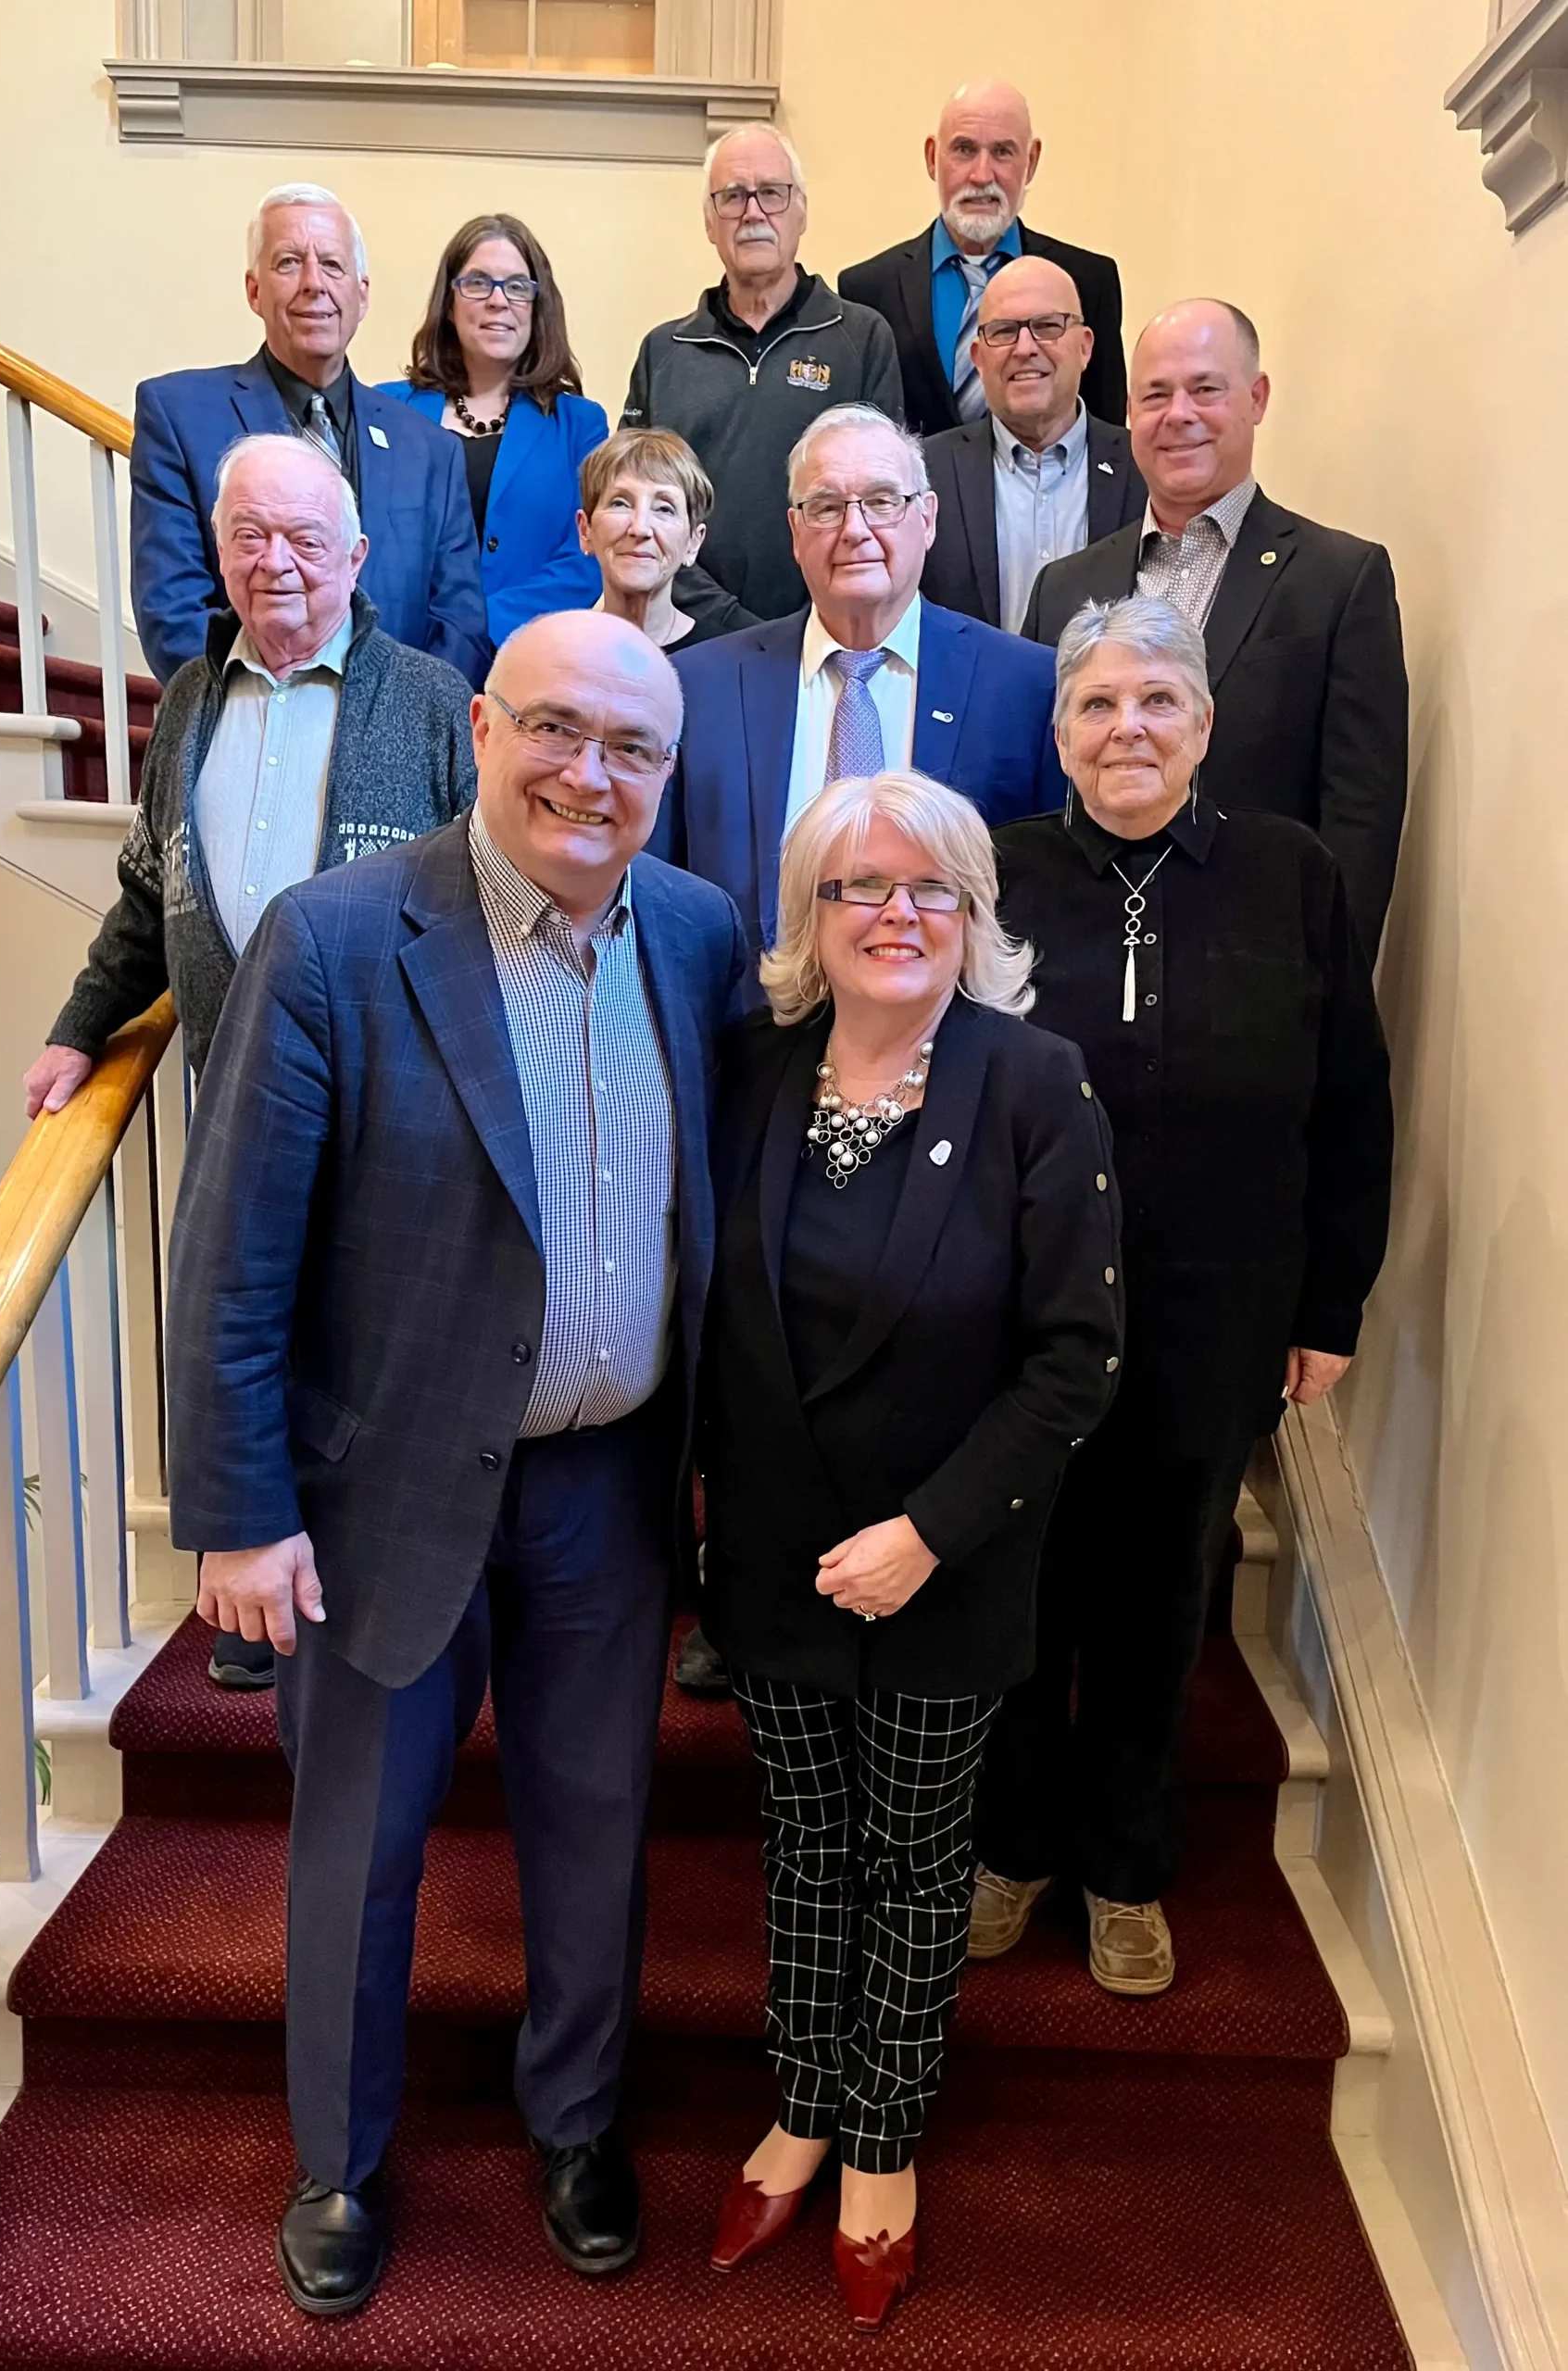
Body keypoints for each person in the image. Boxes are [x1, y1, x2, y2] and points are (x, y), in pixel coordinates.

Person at [163, 608, 742, 2316]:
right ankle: (339, 2163)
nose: (589, 774)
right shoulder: (338, 935)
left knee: (594, 1821)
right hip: (381, 1489)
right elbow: (234, 1255)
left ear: (666, 771)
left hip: (607, 1485)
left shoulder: (698, 934)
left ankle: (576, 2122)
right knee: (359, 1842)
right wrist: (241, 1514)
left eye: (631, 748)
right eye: (556, 728)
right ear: (481, 728)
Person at [698, 769, 1123, 2331]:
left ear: (971, 912)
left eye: (929, 886)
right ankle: (803, 2103)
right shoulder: (750, 1070)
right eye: (858, 887)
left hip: (947, 1562)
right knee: (806, 1845)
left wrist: (925, 1535)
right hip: (773, 1557)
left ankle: (882, 2137)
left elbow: (1076, 1359)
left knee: (913, 1850)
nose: (895, 913)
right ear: (810, 917)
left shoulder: (1034, 1082)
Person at [970, 595, 1392, 1998]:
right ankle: (1015, 1844)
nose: (1127, 728)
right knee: (1024, 1592)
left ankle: (1126, 1865)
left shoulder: (1290, 874)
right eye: (1096, 704)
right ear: (1059, 734)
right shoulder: (1000, 873)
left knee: (1161, 1604)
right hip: (1023, 1322)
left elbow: (1352, 1100)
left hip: (1216, 1316)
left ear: (1204, 725)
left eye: (1157, 701)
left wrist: (1330, 1306)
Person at [25, 432, 479, 1691]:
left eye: (304, 538)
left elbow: (485, 905)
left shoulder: (434, 700)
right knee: (245, 1334)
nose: (276, 561)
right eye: (249, 536)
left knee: (378, 1351)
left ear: (357, 555)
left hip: (397, 1109)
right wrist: (79, 1026)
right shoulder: (184, 702)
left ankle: (391, 1588)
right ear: (217, 552)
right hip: (235, 1096)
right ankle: (255, 1594)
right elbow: (146, 892)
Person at [1020, 300, 1408, 961]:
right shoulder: (1063, 588)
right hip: (1087, 962)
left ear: (1256, 399)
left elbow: (1361, 816)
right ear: (1130, 413)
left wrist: (1329, 979)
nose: (1179, 415)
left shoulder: (1339, 581)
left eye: (1205, 390)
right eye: (1156, 395)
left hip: (1260, 965)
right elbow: (1043, 788)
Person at [655, 404, 1065, 983]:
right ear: (796, 533)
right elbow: (658, 896)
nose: (854, 529)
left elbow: (1044, 902)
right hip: (749, 1027)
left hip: (951, 1023)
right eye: (826, 507)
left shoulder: (1025, 687)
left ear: (927, 519)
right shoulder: (700, 688)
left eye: (881, 500)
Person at [131, 182, 488, 689]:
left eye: (333, 265)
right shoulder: (178, 417)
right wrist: (282, 709)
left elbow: (460, 624)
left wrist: (398, 718)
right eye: (289, 262)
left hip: (397, 732)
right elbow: (173, 615)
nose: (314, 283)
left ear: (362, 294)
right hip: (244, 721)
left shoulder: (431, 449)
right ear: (254, 290)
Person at [621, 124, 902, 623]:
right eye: (733, 196)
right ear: (709, 222)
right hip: (689, 634)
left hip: (827, 632)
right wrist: (725, 620)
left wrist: (811, 625)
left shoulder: (862, 339)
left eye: (771, 193)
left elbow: (882, 502)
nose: (753, 212)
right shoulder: (663, 352)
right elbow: (638, 512)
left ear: (801, 212)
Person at [840, 79, 1125, 439]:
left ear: (1031, 162)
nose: (981, 175)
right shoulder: (867, 291)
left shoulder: (1087, 282)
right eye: (964, 150)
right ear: (932, 157)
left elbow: (1107, 438)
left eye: (1003, 152)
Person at [374, 214, 608, 645]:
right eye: (478, 283)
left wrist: (473, 631)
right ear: (449, 303)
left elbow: (586, 560)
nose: (498, 301)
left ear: (538, 307)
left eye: (518, 286)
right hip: (399, 652)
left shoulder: (580, 426)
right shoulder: (385, 411)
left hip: (525, 658)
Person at [922, 254, 1146, 631]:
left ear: (1085, 347)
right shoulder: (925, 474)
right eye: (1003, 331)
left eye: (1047, 326)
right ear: (977, 357)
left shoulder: (1144, 468)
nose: (1024, 348)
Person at [577, 426, 739, 655]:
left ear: (693, 541)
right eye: (620, 503)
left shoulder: (726, 659)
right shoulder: (552, 654)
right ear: (585, 530)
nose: (640, 528)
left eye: (664, 509)